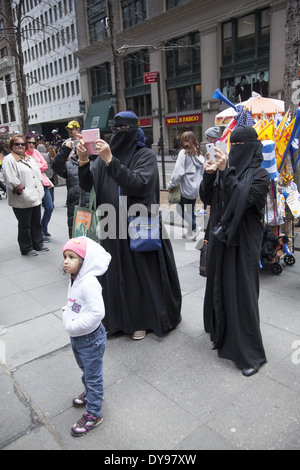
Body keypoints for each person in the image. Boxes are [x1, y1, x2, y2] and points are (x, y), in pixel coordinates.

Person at [77, 111, 182, 340]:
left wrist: (110, 161)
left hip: (139, 224)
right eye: (115, 130)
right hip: (110, 225)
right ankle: (117, 320)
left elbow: (139, 184)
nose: (118, 135)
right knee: (115, 275)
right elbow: (88, 185)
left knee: (139, 277)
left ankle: (141, 321)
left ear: (134, 132)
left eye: (124, 130)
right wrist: (85, 161)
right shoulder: (104, 156)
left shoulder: (143, 155)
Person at [200, 125, 270, 376]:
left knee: (242, 294)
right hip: (221, 237)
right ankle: (222, 335)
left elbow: (243, 199)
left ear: (251, 149)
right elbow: (207, 198)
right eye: (234, 145)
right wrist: (209, 174)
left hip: (244, 241)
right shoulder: (223, 169)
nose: (236, 151)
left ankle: (251, 355)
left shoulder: (261, 175)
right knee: (221, 285)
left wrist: (226, 172)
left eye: (241, 147)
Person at [62, 236, 111, 437]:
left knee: (93, 376)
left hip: (90, 338)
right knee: (85, 370)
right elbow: (75, 302)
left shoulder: (89, 283)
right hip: (78, 336)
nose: (66, 261)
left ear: (84, 260)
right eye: (65, 256)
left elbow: (97, 313)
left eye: (72, 257)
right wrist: (67, 311)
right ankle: (91, 394)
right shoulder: (75, 278)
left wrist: (74, 324)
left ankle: (94, 412)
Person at [2, 134, 49, 256]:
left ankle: (38, 244)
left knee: (36, 223)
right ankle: (26, 248)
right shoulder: (9, 159)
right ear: (12, 146)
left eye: (23, 144)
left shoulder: (29, 158)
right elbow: (10, 178)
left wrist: (40, 190)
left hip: (35, 196)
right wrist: (23, 192)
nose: (20, 146)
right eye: (17, 144)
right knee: (24, 225)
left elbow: (38, 174)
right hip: (22, 198)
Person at [52, 121, 89, 238]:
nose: (70, 131)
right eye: (68, 129)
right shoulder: (66, 146)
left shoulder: (94, 163)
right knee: (76, 239)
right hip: (75, 205)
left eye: (72, 129)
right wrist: (65, 150)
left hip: (92, 204)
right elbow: (56, 166)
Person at [168, 131, 204, 240]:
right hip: (195, 188)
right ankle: (190, 233)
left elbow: (178, 172)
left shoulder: (183, 153)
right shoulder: (199, 154)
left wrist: (171, 184)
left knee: (180, 209)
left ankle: (194, 227)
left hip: (186, 187)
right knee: (190, 209)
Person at [26, 135, 54, 239]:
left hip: (43, 183)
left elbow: (45, 165)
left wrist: (36, 168)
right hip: (32, 185)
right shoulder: (25, 154)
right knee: (35, 211)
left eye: (33, 142)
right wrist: (37, 167)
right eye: (29, 142)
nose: (31, 145)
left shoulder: (36, 152)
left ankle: (43, 228)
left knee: (50, 207)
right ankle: (38, 234)